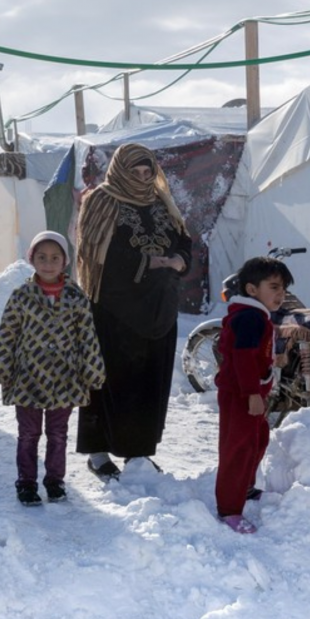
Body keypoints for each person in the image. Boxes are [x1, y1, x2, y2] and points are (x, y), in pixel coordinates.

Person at [74, 143, 192, 480]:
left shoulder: (162, 201)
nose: (142, 179)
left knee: (149, 383)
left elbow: (184, 239)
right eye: (135, 173)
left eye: (147, 173)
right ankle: (98, 453)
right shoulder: (101, 200)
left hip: (159, 308)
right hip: (114, 308)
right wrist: (150, 261)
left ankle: (138, 451)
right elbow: (94, 252)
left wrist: (180, 259)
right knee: (108, 381)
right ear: (119, 171)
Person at [0, 231, 106, 506]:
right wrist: (2, 365)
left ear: (64, 261)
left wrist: (92, 369)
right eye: (41, 257)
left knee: (58, 434)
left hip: (63, 378)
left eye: (55, 257)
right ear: (32, 259)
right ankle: (26, 483)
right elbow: (8, 333)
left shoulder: (76, 298)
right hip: (28, 377)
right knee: (28, 434)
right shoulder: (22, 297)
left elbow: (87, 337)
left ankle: (55, 481)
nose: (48, 263)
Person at [214, 256, 292, 534]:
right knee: (238, 449)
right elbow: (243, 357)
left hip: (252, 392)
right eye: (273, 287)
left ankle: (245, 488)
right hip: (241, 395)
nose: (280, 295)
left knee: (258, 440)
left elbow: (255, 353)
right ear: (251, 289)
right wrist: (251, 394)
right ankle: (229, 509)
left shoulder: (257, 316)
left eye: (283, 289)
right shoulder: (249, 317)